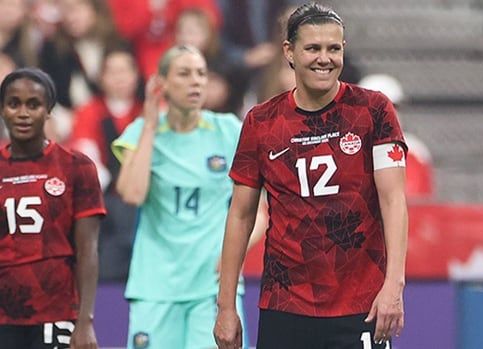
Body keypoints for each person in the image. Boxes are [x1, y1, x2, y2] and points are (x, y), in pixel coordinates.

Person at [214, 3, 408, 349]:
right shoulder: (261, 122)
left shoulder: (374, 110)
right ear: (289, 52)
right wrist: (226, 306)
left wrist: (394, 285)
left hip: (360, 304)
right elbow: (241, 214)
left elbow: (393, 199)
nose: (325, 58)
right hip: (285, 305)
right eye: (313, 48)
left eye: (334, 48)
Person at [112, 45, 250, 349]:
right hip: (155, 283)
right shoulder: (142, 132)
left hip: (212, 286)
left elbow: (260, 212)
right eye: (184, 74)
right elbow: (133, 193)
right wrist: (149, 125)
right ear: (160, 83)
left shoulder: (229, 131)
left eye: (201, 74)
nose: (196, 82)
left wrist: (230, 257)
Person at [0, 68, 106, 348]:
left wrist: (85, 322)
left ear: (48, 111)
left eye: (33, 104)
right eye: (14, 103)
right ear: (2, 110)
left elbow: (88, 249)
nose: (23, 113)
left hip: (56, 312)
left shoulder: (76, 167)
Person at [71, 45, 143, 282]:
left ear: (136, 75)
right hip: (104, 202)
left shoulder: (148, 112)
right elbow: (87, 160)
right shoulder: (89, 111)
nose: (119, 78)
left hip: (143, 200)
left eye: (125, 71)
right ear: (101, 77)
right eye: (112, 71)